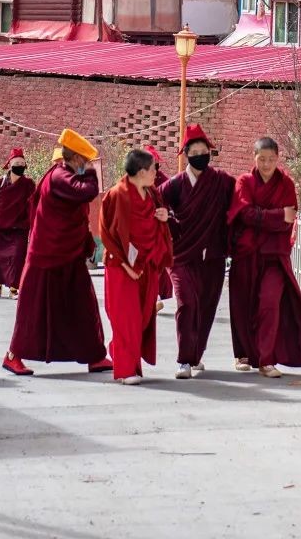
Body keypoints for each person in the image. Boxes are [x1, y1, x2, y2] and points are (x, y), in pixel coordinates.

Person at [3, 130, 112, 378]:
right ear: (74, 159)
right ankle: (12, 355)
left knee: (82, 306)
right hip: (46, 255)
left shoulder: (65, 174)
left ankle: (95, 355)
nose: (86, 165)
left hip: (68, 253)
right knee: (34, 310)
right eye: (84, 161)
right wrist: (94, 172)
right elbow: (87, 191)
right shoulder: (60, 177)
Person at [227, 137, 301, 379]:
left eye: (271, 159)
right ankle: (243, 354)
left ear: (278, 159)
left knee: (269, 302)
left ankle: (266, 360)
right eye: (262, 159)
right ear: (253, 158)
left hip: (275, 255)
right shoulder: (244, 181)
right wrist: (275, 217)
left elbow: (290, 217)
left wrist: (261, 217)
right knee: (243, 304)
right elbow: (244, 214)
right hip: (247, 253)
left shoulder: (286, 183)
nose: (266, 164)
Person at [159, 124, 235, 380]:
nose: (201, 155)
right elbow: (154, 201)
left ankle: (196, 354)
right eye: (195, 151)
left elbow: (241, 202)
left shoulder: (222, 182)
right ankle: (184, 360)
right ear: (186, 154)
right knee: (187, 303)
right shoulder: (175, 185)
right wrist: (166, 219)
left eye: (205, 151)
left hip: (212, 257)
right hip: (181, 256)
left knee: (206, 307)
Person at [99, 148, 173, 385]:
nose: (156, 174)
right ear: (141, 171)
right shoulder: (117, 194)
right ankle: (124, 370)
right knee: (125, 318)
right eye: (153, 169)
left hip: (146, 265)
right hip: (121, 266)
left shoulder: (151, 194)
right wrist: (126, 265)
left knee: (141, 318)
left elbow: (157, 224)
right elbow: (106, 233)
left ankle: (123, 357)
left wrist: (163, 217)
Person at [0, 147, 36, 298]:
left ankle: (14, 288)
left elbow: (34, 204)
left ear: (25, 165)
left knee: (18, 257)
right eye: (16, 162)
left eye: (22, 163)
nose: (19, 165)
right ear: (9, 165)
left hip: (19, 228)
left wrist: (33, 224)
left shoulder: (29, 184)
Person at [144, 144, 173, 310]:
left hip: (159, 231)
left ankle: (155, 300)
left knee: (157, 266)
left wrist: (166, 215)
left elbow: (172, 205)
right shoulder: (136, 179)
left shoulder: (164, 182)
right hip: (142, 231)